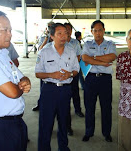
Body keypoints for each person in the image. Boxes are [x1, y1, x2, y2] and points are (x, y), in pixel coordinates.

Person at [0, 10, 31, 151]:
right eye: (4, 30)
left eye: (10, 30)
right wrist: (21, 87)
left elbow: (22, 77)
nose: (10, 34)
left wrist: (25, 81)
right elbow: (12, 92)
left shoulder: (3, 53)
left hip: (15, 122)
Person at [35, 23, 79, 151]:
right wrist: (51, 75)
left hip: (65, 90)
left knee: (63, 121)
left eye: (65, 33)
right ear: (52, 36)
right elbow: (38, 73)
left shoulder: (71, 50)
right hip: (49, 90)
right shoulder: (44, 52)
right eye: (60, 33)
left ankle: (63, 147)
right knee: (46, 123)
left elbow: (76, 69)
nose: (64, 36)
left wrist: (70, 74)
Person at [82, 20, 116, 142]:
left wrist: (94, 58)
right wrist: (102, 62)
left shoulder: (110, 43)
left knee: (106, 107)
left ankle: (107, 133)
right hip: (90, 79)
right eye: (95, 30)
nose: (97, 33)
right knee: (89, 107)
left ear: (103, 31)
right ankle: (88, 132)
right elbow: (84, 58)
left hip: (105, 80)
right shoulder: (87, 44)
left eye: (100, 30)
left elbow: (112, 57)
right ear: (92, 32)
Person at [64, 23, 84, 137]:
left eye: (68, 30)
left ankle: (77, 110)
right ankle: (66, 122)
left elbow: (78, 57)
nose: (67, 32)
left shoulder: (75, 43)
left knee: (75, 92)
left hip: (73, 72)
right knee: (64, 97)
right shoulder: (58, 42)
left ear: (71, 31)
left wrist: (70, 67)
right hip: (62, 75)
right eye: (65, 30)